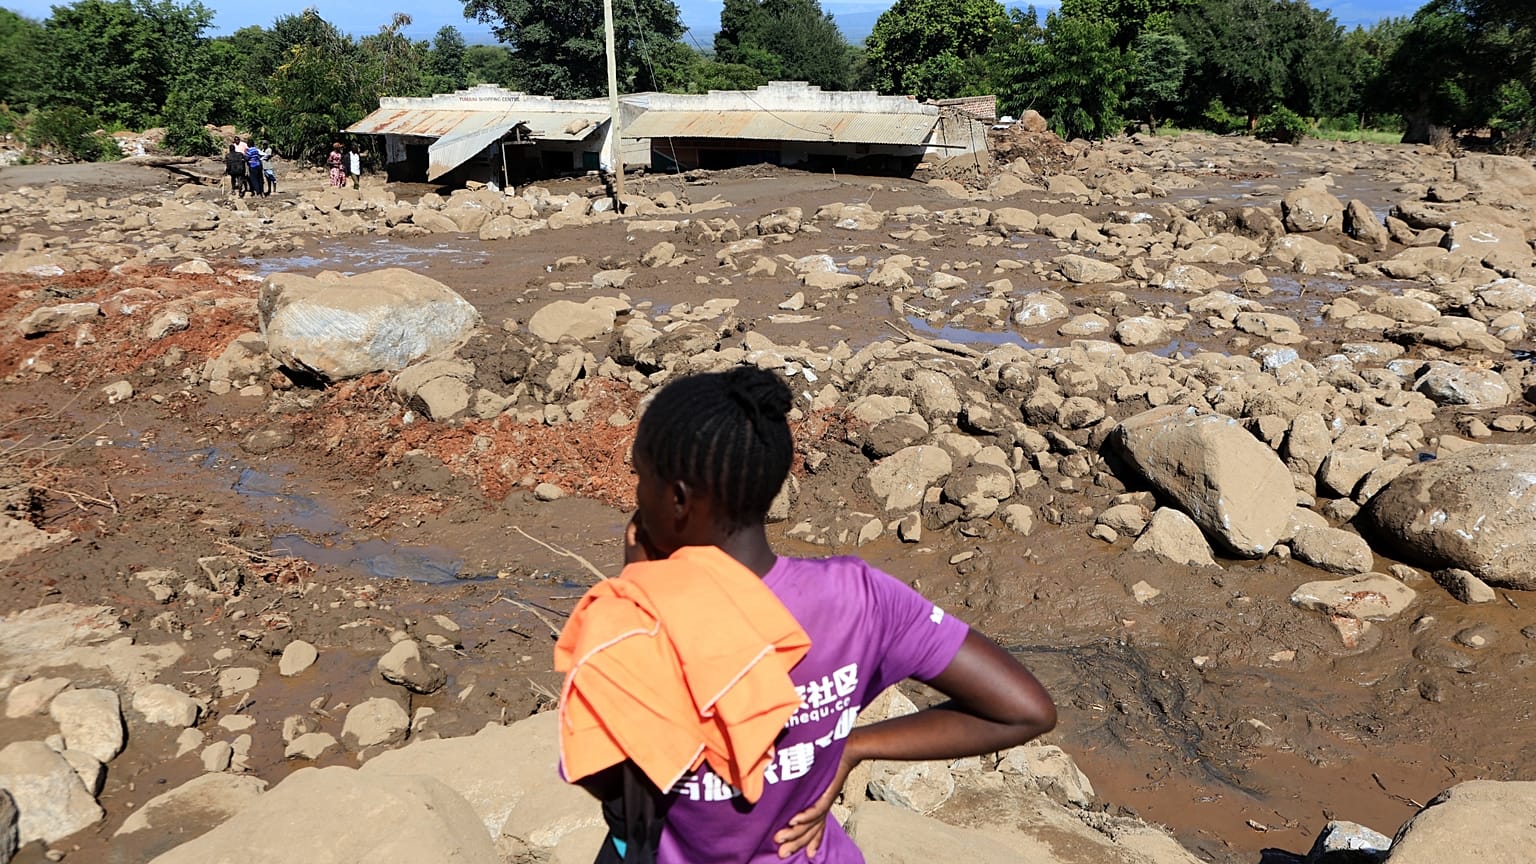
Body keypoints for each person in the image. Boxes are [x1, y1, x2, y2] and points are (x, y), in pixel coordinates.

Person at [559, 367, 1057, 864]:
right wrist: (852, 746)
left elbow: (609, 785)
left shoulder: (637, 623)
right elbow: (1025, 710)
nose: (636, 496)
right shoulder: (860, 596)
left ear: (679, 499)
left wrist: (637, 591)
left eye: (641, 476)